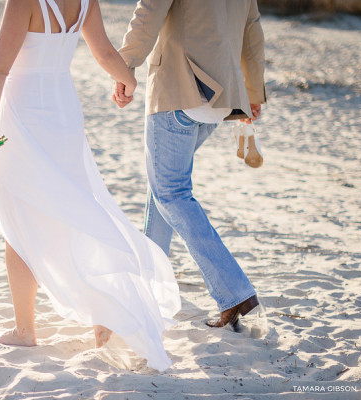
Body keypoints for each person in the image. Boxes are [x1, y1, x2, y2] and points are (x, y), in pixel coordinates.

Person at [0, 0, 181, 371]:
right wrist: (127, 79)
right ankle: (103, 313)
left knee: (18, 219)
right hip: (63, 115)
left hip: (25, 117)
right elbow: (105, 52)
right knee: (74, 209)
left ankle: (25, 329)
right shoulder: (84, 0)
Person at [112, 0, 266, 329]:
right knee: (163, 188)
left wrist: (124, 66)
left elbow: (148, 12)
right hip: (222, 98)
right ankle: (149, 285)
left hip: (180, 88)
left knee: (171, 192)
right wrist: (252, 91)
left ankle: (236, 293)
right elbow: (252, 31)